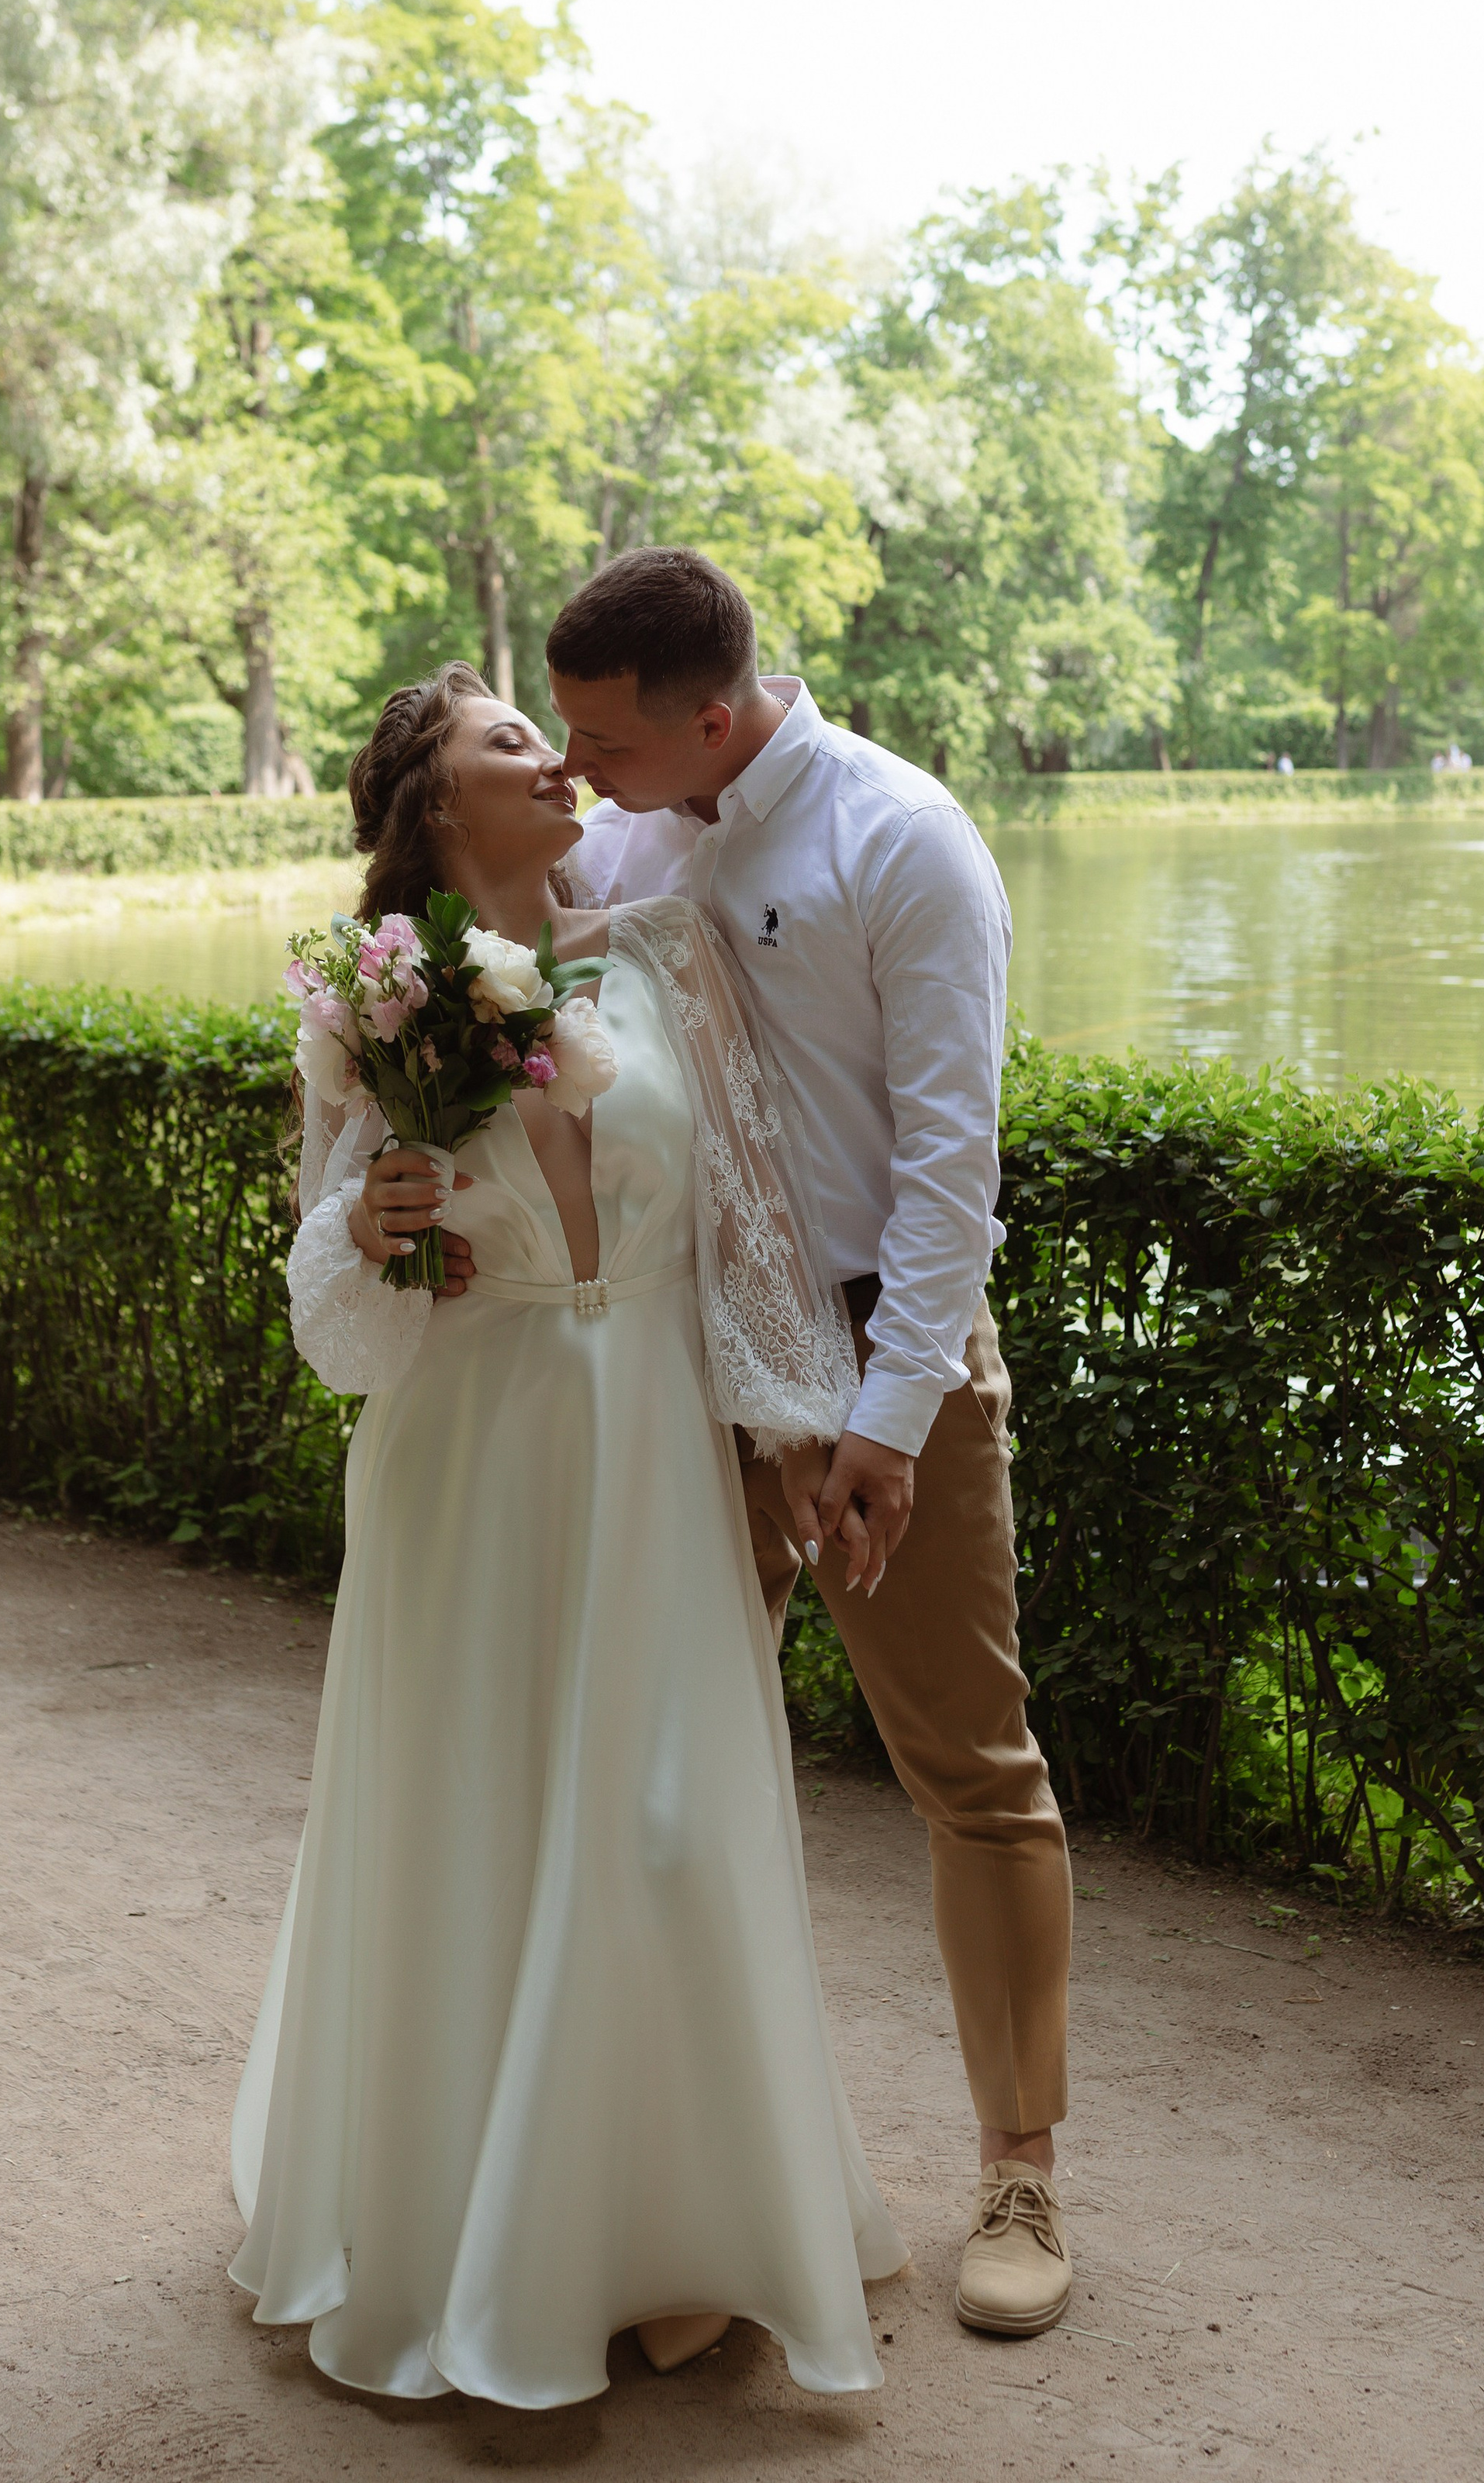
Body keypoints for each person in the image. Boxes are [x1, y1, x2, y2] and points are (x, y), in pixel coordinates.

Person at [230, 661, 906, 2408]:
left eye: (555, 735)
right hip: (476, 1457)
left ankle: (673, 2237)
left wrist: (801, 1429)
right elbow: (331, 1311)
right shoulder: (371, 998)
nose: (556, 759)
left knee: (664, 1831)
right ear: (432, 807)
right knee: (479, 1834)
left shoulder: (668, 951)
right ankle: (481, 2268)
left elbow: (748, 1208)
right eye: (510, 743)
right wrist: (372, 1227)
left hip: (655, 1462)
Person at [536, 544, 1078, 2341]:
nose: (575, 773)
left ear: (712, 713)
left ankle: (1017, 2172)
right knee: (658, 1760)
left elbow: (949, 1168)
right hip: (679, 1360)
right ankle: (687, 2202)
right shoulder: (622, 835)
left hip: (868, 1352)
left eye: (599, 742)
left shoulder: (899, 838)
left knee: (967, 1767)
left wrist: (889, 1416)